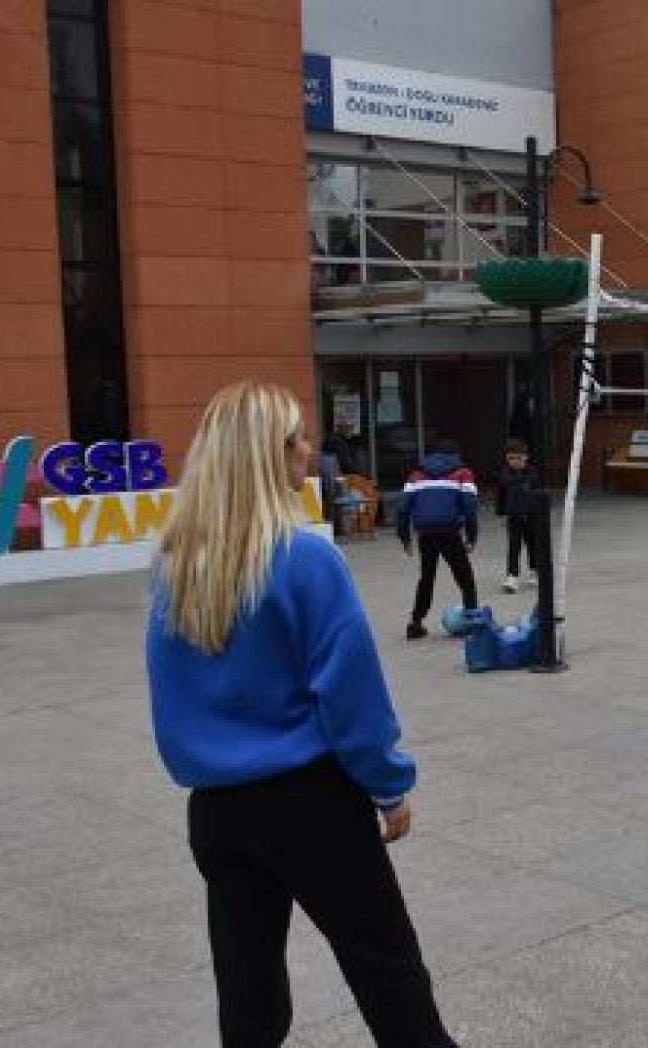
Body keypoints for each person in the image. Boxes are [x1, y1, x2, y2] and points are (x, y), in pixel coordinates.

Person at [146, 380, 455, 1046]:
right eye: (298, 439)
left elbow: (170, 698)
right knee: (388, 974)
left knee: (249, 998)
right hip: (310, 803)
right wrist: (388, 784)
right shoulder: (305, 557)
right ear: (269, 454)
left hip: (218, 811)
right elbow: (350, 693)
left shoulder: (177, 565)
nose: (310, 450)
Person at [397, 438, 479, 640]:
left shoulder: (415, 474)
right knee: (465, 577)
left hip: (425, 533)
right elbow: (470, 506)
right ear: (456, 455)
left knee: (427, 577)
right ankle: (472, 621)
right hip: (450, 532)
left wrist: (405, 538)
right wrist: (471, 536)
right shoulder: (463, 473)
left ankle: (415, 623)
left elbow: (402, 508)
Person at [495, 437, 541, 594]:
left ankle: (535, 571)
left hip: (532, 516)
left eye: (518, 458)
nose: (514, 461)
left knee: (533, 545)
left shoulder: (533, 472)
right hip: (514, 516)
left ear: (526, 457)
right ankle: (512, 576)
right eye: (510, 458)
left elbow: (539, 493)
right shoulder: (504, 474)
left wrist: (541, 513)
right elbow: (500, 496)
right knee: (514, 546)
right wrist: (501, 514)